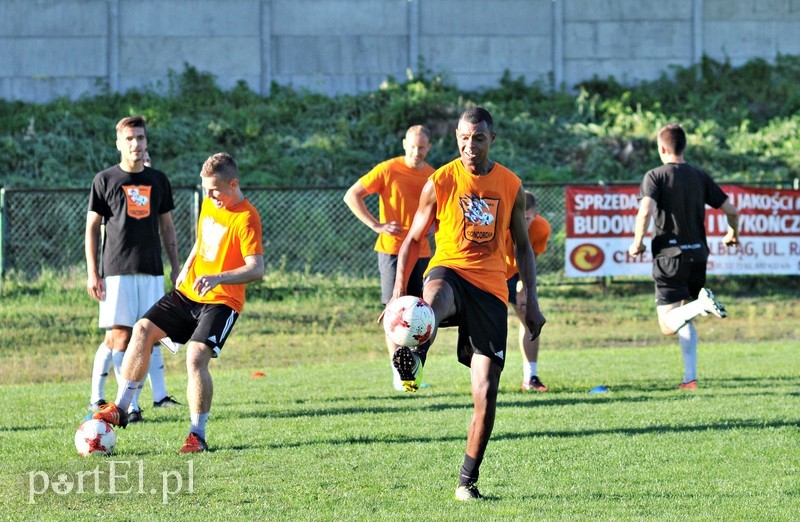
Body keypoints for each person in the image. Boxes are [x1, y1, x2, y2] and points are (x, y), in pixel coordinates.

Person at [389, 107, 546, 501]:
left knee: (486, 391)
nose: (469, 145)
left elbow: (524, 249)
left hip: (492, 290)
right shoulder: (440, 180)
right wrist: (395, 297)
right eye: (462, 137)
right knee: (431, 301)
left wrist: (531, 301)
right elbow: (412, 240)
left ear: (492, 140)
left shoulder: (510, 184)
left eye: (477, 138)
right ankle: (413, 358)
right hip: (450, 269)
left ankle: (466, 481)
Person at [93, 152, 264, 453]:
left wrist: (218, 277)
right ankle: (121, 408)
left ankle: (197, 435)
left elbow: (257, 268)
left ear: (233, 184)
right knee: (142, 329)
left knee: (196, 357)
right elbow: (203, 239)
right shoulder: (212, 203)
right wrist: (187, 265)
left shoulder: (247, 217)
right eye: (204, 188)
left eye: (213, 189)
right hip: (189, 293)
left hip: (222, 300)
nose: (208, 195)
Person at [85, 116, 181, 423]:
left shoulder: (158, 180)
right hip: (116, 270)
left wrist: (176, 268)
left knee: (150, 336)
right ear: (119, 143)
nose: (135, 144)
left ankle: (139, 402)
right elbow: (92, 228)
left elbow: (168, 227)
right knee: (121, 337)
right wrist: (93, 272)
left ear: (146, 141)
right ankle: (127, 405)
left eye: (140, 138)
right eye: (129, 139)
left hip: (152, 270)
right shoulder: (105, 180)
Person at [629, 123, 739, 390]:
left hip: (670, 256)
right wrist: (732, 234)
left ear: (662, 148)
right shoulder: (699, 176)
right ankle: (690, 379)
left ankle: (702, 306)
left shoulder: (655, 176)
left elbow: (645, 212)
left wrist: (637, 243)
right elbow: (731, 209)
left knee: (668, 323)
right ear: (684, 146)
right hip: (698, 256)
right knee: (683, 314)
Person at [343, 125, 435, 391]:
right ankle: (398, 372)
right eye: (413, 146)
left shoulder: (433, 176)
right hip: (392, 250)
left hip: (423, 253)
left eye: (422, 147)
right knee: (395, 310)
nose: (417, 152)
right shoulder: (388, 169)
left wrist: (434, 227)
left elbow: (441, 213)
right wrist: (376, 225)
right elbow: (352, 195)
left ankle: (414, 371)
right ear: (405, 144)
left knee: (421, 313)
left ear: (429, 148)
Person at [504, 190, 551, 392]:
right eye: (520, 218)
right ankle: (482, 378)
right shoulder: (502, 226)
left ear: (535, 214)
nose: (524, 222)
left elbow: (532, 260)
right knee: (486, 323)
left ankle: (530, 376)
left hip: (517, 273)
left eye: (527, 218)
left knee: (530, 319)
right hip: (493, 271)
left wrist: (524, 286)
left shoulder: (541, 228)